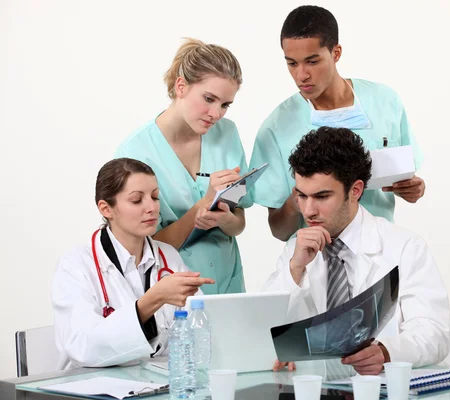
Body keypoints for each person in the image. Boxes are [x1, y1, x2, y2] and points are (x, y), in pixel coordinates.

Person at [263, 127, 450, 375]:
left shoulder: (405, 247)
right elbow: (264, 332)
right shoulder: (295, 251)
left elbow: (434, 332)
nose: (308, 211)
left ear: (355, 190)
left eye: (322, 196)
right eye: (302, 196)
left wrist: (387, 352)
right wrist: (295, 269)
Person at [249, 5, 426, 242]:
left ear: (336, 53)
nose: (301, 75)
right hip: (316, 262)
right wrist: (297, 200)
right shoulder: (275, 129)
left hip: (381, 250)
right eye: (292, 63)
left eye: (312, 61)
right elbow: (279, 231)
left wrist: (414, 190)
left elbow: (410, 182)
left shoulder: (386, 102)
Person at [116, 38, 250, 294]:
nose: (216, 113)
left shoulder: (227, 134)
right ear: (181, 86)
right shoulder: (135, 153)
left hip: (228, 283)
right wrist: (200, 208)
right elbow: (139, 249)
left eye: (225, 104)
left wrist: (225, 219)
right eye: (209, 99)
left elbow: (239, 222)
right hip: (169, 289)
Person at [52, 158, 214, 369]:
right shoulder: (76, 264)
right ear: (106, 208)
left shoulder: (169, 258)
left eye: (155, 197)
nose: (152, 208)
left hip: (155, 384)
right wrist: (152, 300)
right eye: (137, 200)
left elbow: (201, 331)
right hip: (93, 386)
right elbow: (82, 347)